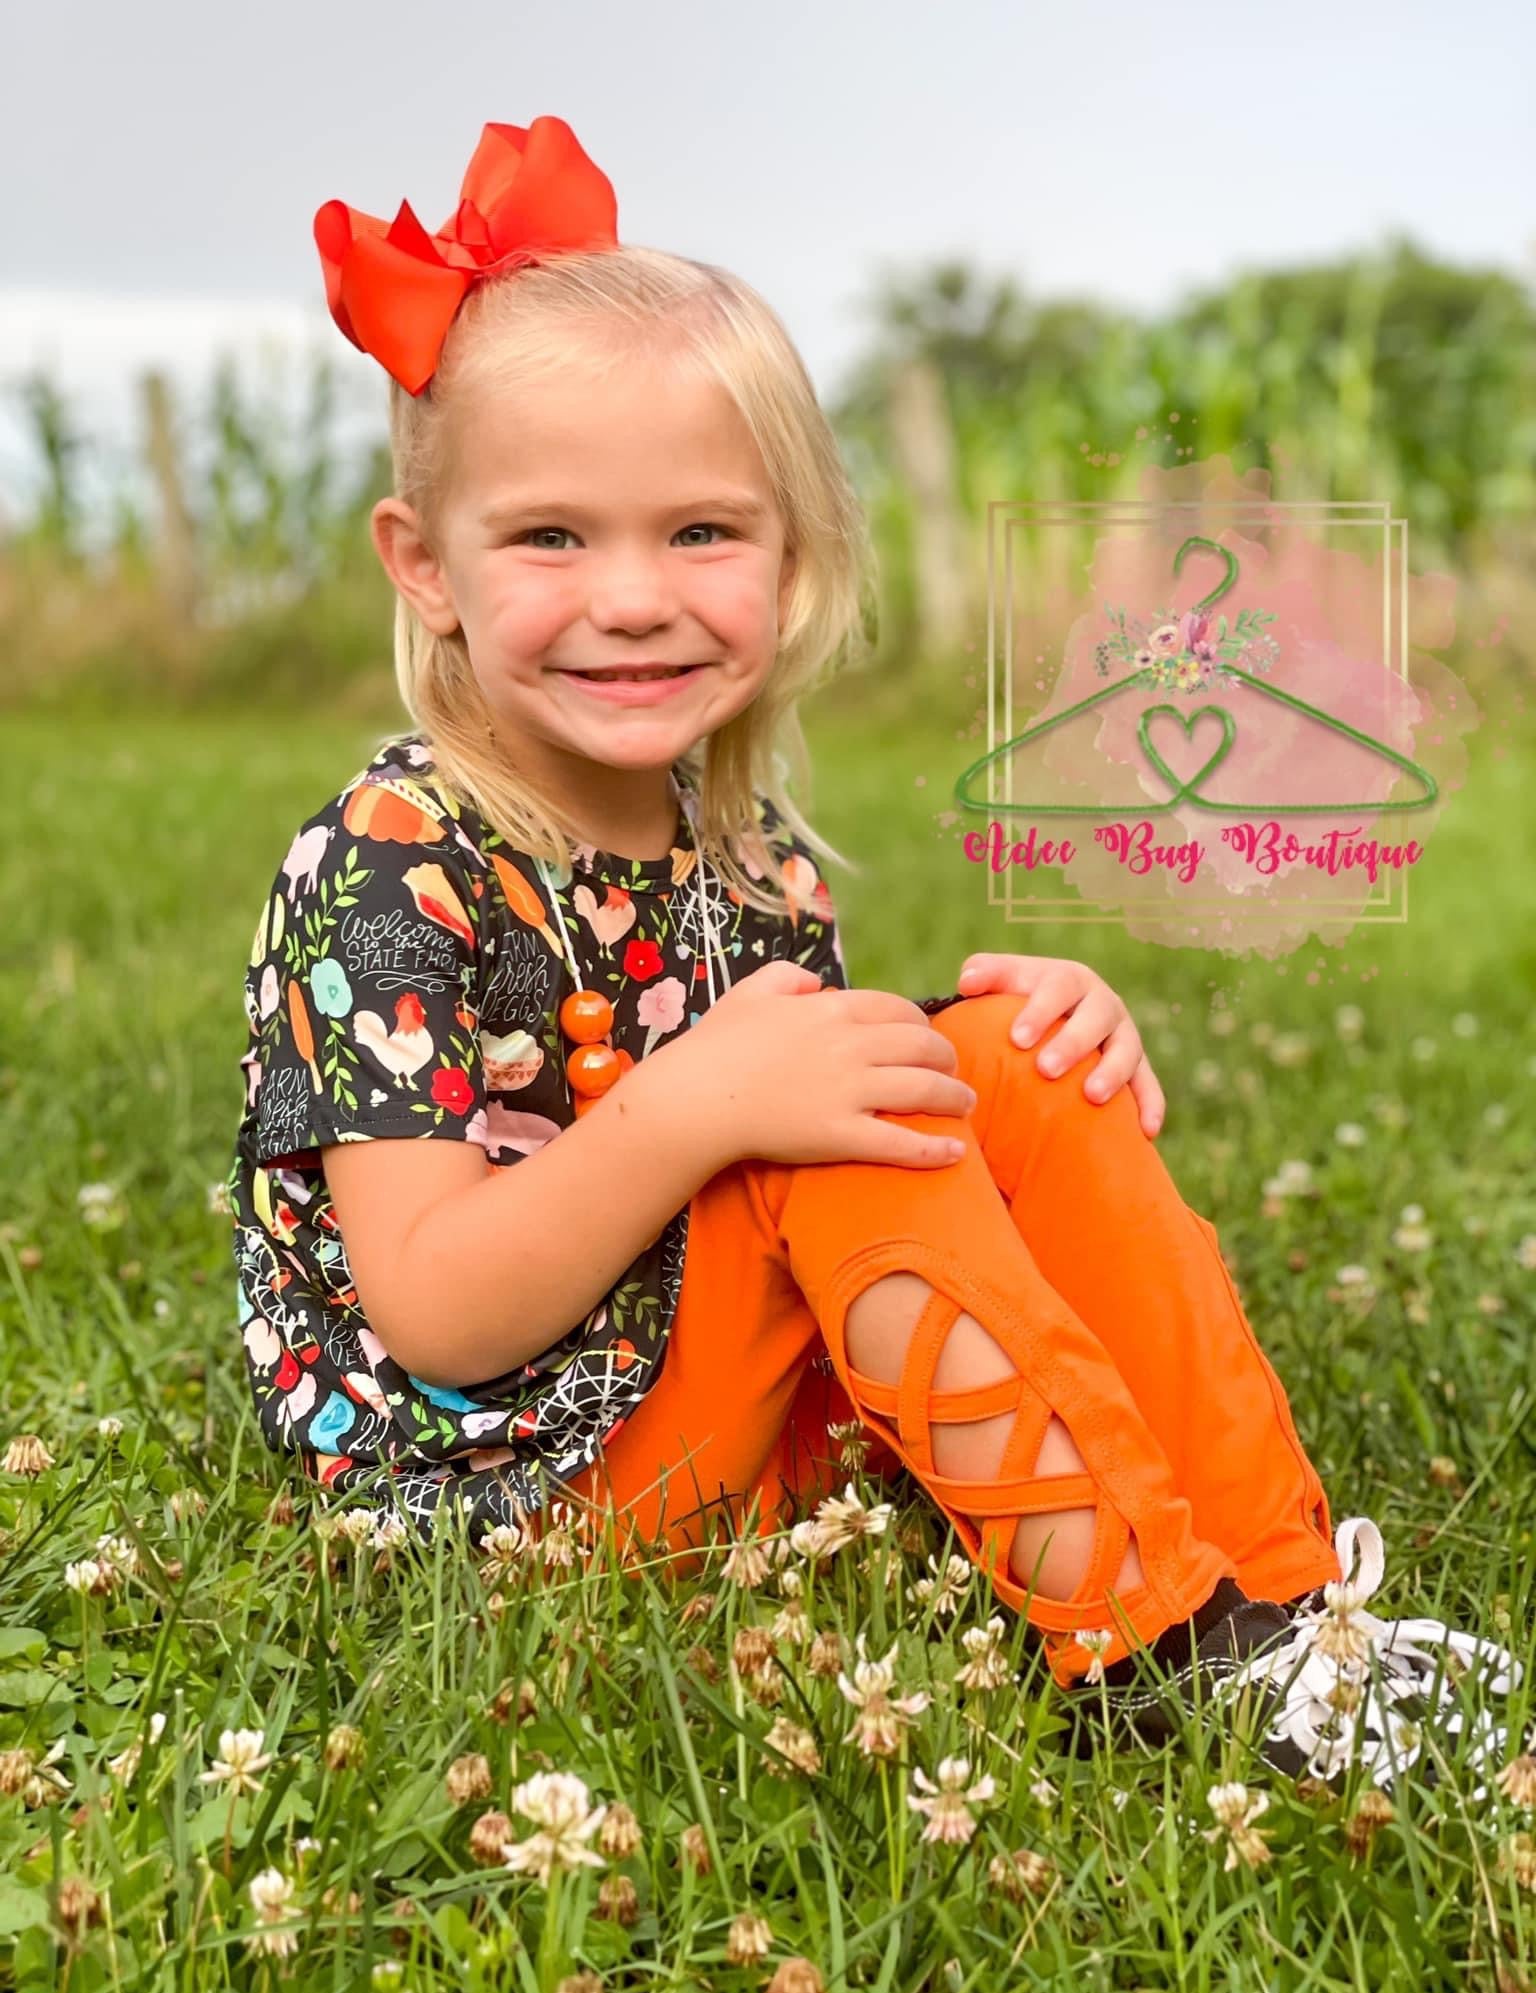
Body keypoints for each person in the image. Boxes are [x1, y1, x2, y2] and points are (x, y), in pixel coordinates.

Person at [226, 116, 1523, 1793]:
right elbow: (442, 1316)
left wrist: (977, 1044)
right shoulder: (390, 869)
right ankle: (1150, 1655)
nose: (630, 597)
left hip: (724, 1415)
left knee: (979, 1065)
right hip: (514, 1498)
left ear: (799, 555)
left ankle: (1282, 1605)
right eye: (550, 538)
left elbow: (785, 1119)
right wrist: (711, 1104)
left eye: (701, 534)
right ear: (431, 568)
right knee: (824, 1136)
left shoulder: (745, 852)